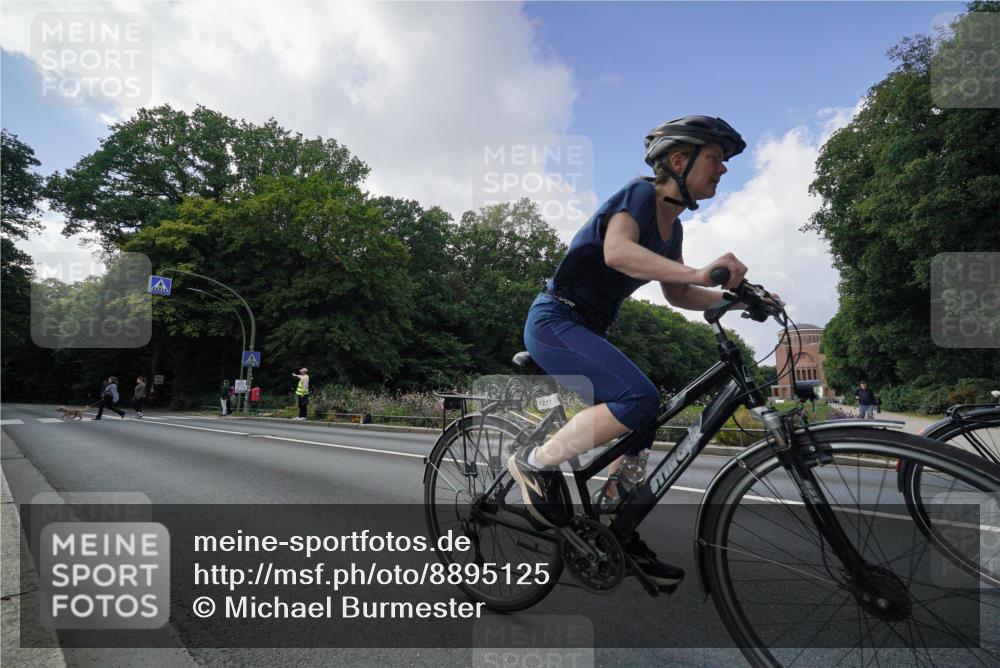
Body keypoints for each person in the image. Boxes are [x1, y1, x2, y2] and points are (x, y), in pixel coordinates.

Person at [507, 116, 774, 589]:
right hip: (555, 320)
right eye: (715, 158)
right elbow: (617, 253)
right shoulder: (639, 195)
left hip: (589, 329)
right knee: (641, 398)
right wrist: (699, 272)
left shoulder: (672, 234)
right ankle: (535, 462)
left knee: (641, 423)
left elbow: (679, 295)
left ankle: (616, 529)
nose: (723, 170)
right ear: (678, 160)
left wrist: (735, 301)